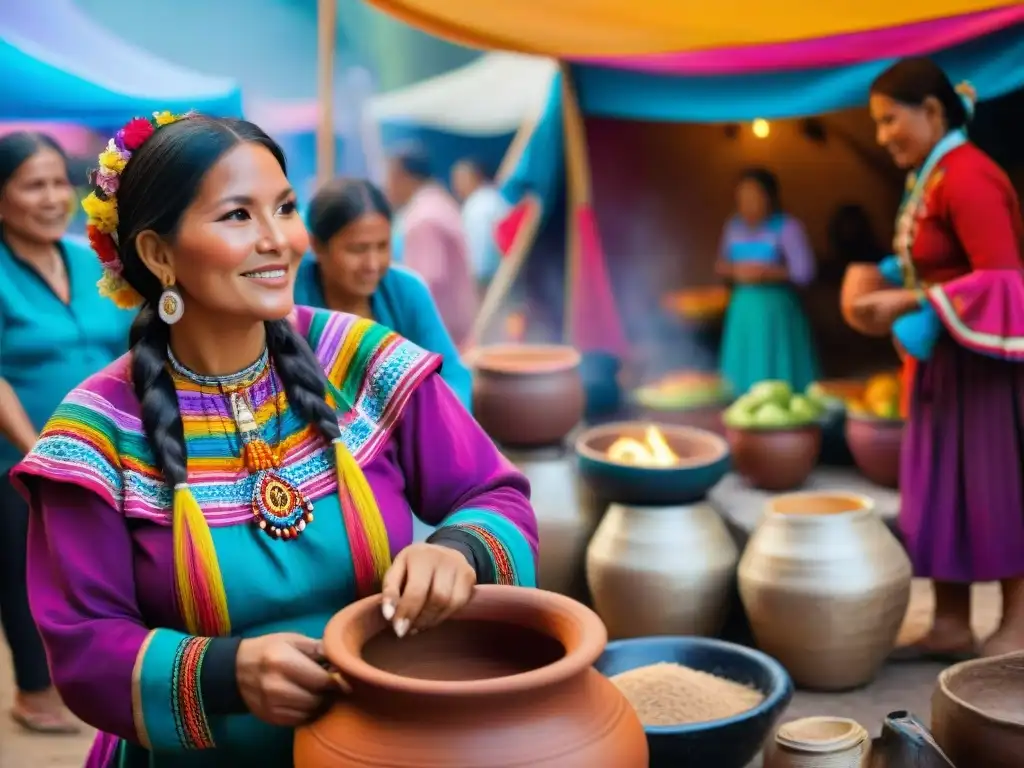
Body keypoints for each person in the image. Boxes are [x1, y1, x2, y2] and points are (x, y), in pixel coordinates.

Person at [11, 112, 538, 767]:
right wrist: (226, 673)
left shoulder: (362, 361)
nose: (279, 240)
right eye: (238, 216)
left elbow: (496, 494)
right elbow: (83, 642)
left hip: (383, 747)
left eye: (285, 208)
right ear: (157, 254)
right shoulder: (96, 436)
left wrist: (457, 550)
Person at [852, 57, 1024, 658]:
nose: (881, 136)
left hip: (981, 367)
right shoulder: (933, 175)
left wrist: (906, 298)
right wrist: (879, 277)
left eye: (887, 121)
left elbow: (1004, 281)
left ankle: (1018, 623)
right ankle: (950, 622)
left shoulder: (969, 177)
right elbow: (932, 259)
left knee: (991, 487)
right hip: (939, 365)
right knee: (943, 490)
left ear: (930, 111)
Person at [0, 131, 135, 734]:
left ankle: (104, 674)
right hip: (17, 453)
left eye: (60, 181)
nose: (53, 197)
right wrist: (38, 451)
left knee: (105, 565)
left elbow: (131, 342)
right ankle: (33, 691)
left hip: (107, 450)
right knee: (26, 566)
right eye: (34, 184)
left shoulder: (91, 259)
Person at [295, 177, 472, 409]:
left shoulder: (407, 291)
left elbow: (452, 376)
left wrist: (439, 419)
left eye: (382, 246)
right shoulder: (291, 297)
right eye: (357, 249)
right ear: (318, 246)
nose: (372, 263)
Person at [716, 168, 820, 395]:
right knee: (743, 371)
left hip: (776, 313)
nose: (747, 203)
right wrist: (735, 270)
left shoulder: (787, 227)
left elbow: (805, 272)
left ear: (770, 197)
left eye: (754, 196)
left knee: (777, 368)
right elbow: (721, 264)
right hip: (742, 311)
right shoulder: (733, 227)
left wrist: (766, 273)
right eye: (742, 197)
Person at [384, 145, 477, 347]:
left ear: (403, 177)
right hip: (456, 329)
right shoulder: (439, 203)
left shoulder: (423, 217)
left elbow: (426, 282)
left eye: (389, 176)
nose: (387, 185)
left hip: (439, 336)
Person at [451, 158, 509, 288]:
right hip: (500, 277)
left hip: (487, 282)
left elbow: (480, 255)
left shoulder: (480, 205)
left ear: (476, 176)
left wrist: (477, 283)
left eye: (461, 179)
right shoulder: (492, 198)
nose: (456, 186)